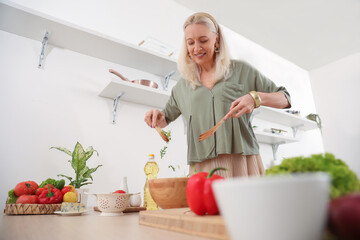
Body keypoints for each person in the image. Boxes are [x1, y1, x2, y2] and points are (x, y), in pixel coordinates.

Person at [144, 12, 291, 178]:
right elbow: (164, 119)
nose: (196, 48)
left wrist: (255, 98)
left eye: (203, 40)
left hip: (242, 163)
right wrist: (156, 116)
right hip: (201, 168)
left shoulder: (241, 70)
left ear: (217, 40)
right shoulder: (181, 87)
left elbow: (284, 98)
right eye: (190, 43)